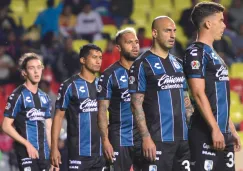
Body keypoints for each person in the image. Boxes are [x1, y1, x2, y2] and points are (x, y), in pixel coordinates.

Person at [129, 16, 192, 171]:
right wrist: (145, 138)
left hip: (183, 142)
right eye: (167, 31)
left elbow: (186, 102)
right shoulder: (142, 64)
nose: (172, 35)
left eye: (174, 31)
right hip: (157, 140)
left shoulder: (178, 64)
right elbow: (136, 105)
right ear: (155, 33)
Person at [183, 2, 241, 171]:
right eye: (221, 20)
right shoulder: (196, 52)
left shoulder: (216, 55)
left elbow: (221, 98)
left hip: (223, 134)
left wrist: (231, 130)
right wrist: (215, 129)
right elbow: (198, 93)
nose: (224, 25)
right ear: (208, 23)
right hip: (205, 133)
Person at [50, 44, 106, 171]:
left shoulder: (103, 84)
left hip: (101, 153)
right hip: (78, 153)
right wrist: (54, 148)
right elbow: (58, 117)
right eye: (94, 57)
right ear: (83, 60)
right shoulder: (69, 85)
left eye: (100, 58)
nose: (98, 61)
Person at [97, 27, 141, 171]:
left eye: (136, 42)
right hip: (121, 138)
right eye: (129, 42)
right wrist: (105, 140)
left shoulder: (146, 71)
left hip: (145, 138)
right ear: (118, 47)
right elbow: (102, 111)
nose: (135, 46)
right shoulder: (109, 75)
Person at [1, 53, 53, 171]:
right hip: (26, 153)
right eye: (31, 68)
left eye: (38, 68)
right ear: (24, 72)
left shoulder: (45, 97)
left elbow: (48, 128)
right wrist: (27, 144)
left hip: (44, 154)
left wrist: (53, 153)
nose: (36, 72)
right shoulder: (17, 95)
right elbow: (6, 126)